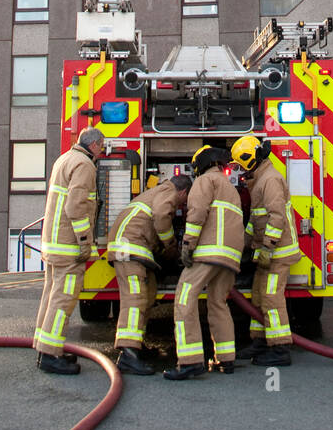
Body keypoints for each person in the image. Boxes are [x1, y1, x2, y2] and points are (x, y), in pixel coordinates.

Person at [164, 146, 244, 381]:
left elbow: (197, 213)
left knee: (184, 299)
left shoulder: (204, 181)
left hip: (208, 253)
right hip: (230, 257)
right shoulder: (229, 187)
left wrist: (187, 245)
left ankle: (190, 361)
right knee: (218, 302)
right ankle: (227, 359)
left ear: (201, 164)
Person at [33, 126, 104, 374]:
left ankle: (44, 348)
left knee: (50, 297)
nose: (102, 152)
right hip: (68, 247)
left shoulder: (63, 159)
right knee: (62, 301)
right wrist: (85, 241)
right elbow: (76, 207)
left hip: (53, 245)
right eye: (102, 147)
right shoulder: (84, 165)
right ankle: (51, 355)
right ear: (94, 145)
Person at [106, 174, 192, 374]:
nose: (183, 205)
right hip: (129, 249)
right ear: (183, 192)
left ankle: (137, 343)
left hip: (137, 249)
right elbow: (162, 217)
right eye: (185, 200)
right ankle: (127, 354)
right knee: (135, 298)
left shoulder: (157, 191)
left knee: (148, 295)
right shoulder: (168, 191)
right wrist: (171, 247)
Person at [230, 134, 300, 367]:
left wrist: (268, 247)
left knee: (271, 297)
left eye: (240, 165)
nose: (240, 170)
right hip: (266, 253)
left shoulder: (269, 180)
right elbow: (255, 220)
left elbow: (276, 216)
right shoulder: (260, 180)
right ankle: (260, 342)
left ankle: (280, 349)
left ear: (250, 160)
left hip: (277, 254)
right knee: (259, 295)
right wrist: (245, 246)